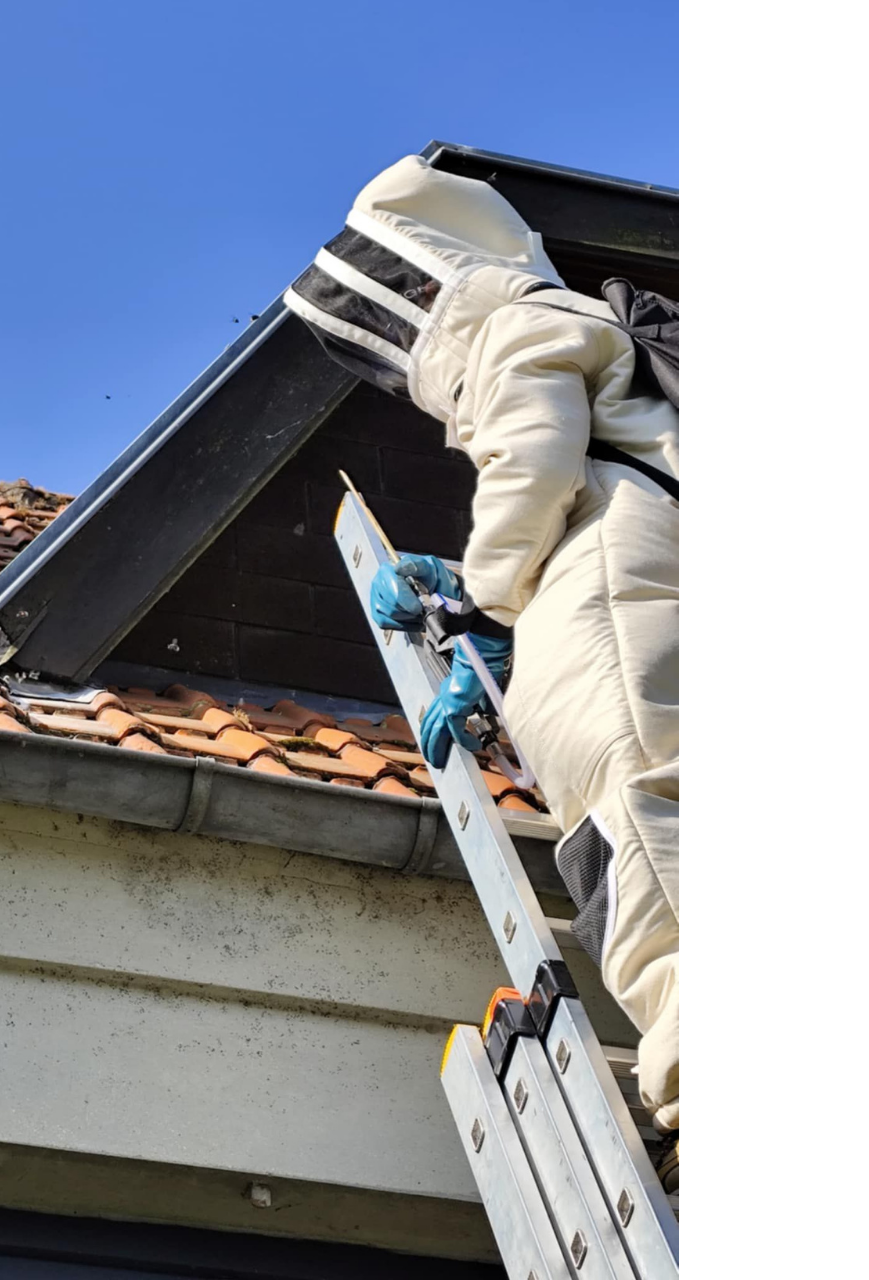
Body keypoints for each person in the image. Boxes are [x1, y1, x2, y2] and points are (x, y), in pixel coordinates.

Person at [283, 156, 679, 1190]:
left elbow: (534, 464)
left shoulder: (515, 322)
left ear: (420, 286)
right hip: (649, 595)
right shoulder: (620, 347)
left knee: (641, 832)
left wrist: (482, 598)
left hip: (618, 616)